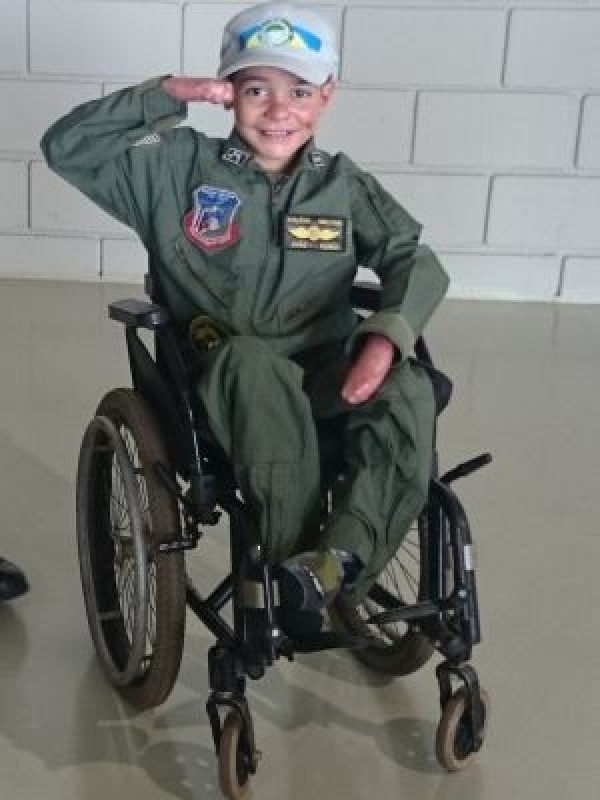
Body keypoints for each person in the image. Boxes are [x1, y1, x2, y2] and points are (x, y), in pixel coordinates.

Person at [41, 1, 448, 632]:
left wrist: (385, 341)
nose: (279, 110)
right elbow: (69, 148)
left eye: (300, 91)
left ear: (327, 95)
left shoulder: (342, 186)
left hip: (324, 373)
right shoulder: (176, 169)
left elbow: (412, 258)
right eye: (257, 89)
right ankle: (289, 566)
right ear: (229, 91)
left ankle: (336, 564)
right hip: (220, 384)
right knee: (251, 362)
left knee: (408, 388)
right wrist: (168, 93)